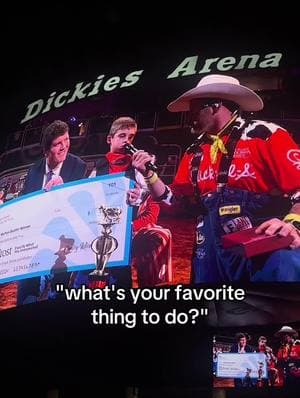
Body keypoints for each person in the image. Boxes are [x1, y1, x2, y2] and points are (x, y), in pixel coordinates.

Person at [131, 74, 300, 283]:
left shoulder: (265, 135)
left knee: (265, 312)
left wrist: (294, 223)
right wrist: (149, 175)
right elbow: (175, 201)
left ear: (215, 105)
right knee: (212, 313)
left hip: (264, 251)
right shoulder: (194, 151)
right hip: (209, 254)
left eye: (195, 108)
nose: (189, 115)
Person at [75, 116, 172, 288]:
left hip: (132, 231)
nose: (127, 141)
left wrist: (132, 225)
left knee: (161, 235)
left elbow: (154, 205)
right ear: (109, 139)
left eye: (131, 137)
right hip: (101, 234)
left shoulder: (141, 167)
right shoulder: (96, 170)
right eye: (122, 136)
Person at [17, 120, 87, 305]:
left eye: (66, 139)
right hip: (37, 239)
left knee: (60, 293)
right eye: (58, 143)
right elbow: (26, 202)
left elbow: (80, 206)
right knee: (26, 293)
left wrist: (64, 193)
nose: (64, 146)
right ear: (46, 150)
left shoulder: (78, 166)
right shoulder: (34, 170)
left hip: (64, 239)